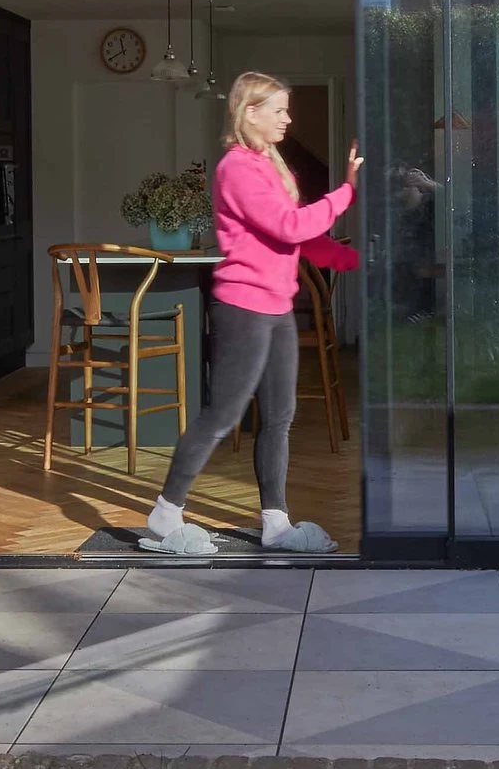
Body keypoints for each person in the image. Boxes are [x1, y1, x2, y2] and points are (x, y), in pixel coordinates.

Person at [142, 71, 361, 555]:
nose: (288, 119)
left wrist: (348, 258)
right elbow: (286, 226)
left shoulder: (269, 166)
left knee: (280, 416)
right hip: (242, 308)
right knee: (223, 415)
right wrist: (345, 192)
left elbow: (299, 236)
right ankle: (165, 514)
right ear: (250, 112)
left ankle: (275, 524)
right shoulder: (236, 168)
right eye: (279, 110)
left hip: (277, 307)